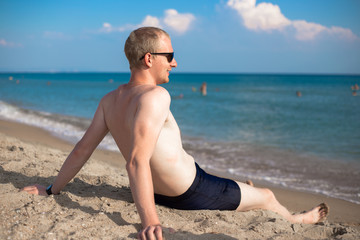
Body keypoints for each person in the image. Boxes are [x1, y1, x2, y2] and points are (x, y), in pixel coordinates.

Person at [22, 27, 329, 240]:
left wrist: (51, 189)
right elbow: (136, 161)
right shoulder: (155, 96)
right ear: (148, 59)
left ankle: (239, 188)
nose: (175, 62)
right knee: (267, 196)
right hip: (189, 191)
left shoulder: (109, 100)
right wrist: (150, 221)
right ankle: (298, 220)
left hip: (151, 190)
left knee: (230, 184)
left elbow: (81, 150)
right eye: (169, 55)